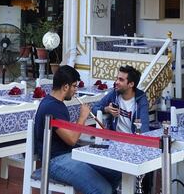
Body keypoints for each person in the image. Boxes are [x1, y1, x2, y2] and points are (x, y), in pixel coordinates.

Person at [35, 65, 121, 194]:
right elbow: (71, 139)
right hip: (55, 161)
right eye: (74, 86)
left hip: (70, 154)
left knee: (115, 172)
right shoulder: (51, 107)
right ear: (65, 87)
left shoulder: (55, 103)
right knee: (102, 190)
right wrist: (82, 117)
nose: (76, 91)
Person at [92, 65, 149, 134]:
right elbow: (94, 109)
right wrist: (106, 109)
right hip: (115, 139)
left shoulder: (141, 100)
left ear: (131, 84)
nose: (116, 82)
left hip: (133, 140)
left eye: (121, 80)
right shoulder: (114, 94)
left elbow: (144, 127)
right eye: (117, 79)